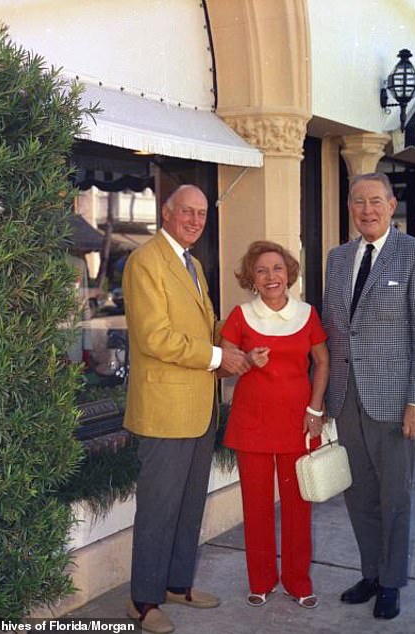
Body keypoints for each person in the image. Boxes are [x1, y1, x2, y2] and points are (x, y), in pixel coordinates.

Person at [123, 185, 252, 634]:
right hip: (163, 408)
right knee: (159, 507)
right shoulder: (145, 262)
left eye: (201, 213)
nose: (195, 220)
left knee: (189, 504)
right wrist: (219, 358)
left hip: (198, 406)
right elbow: (154, 337)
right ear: (167, 212)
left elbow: (205, 326)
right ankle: (142, 602)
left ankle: (176, 584)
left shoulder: (192, 264)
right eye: (187, 212)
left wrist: (241, 339)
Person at [322, 172, 415, 620]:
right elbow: (334, 332)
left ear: (392, 206)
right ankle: (370, 572)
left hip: (394, 403)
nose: (366, 210)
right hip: (346, 397)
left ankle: (391, 582)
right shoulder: (337, 259)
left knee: (394, 495)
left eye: (375, 201)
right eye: (358, 202)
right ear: (349, 207)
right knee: (359, 494)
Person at [220, 240, 329, 610]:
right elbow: (221, 367)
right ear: (252, 277)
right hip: (252, 423)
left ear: (289, 274)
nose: (271, 277)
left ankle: (298, 582)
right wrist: (247, 360)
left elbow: (323, 362)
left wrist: (315, 409)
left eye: (277, 269)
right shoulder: (240, 315)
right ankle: (261, 581)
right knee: (257, 507)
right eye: (262, 270)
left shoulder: (307, 314)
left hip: (297, 422)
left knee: (299, 506)